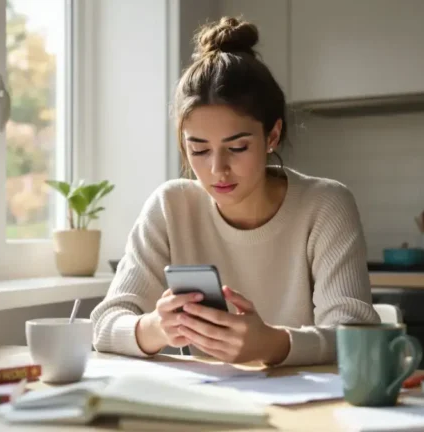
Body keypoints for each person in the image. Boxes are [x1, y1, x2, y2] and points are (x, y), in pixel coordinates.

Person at [90, 16, 379, 367]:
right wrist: (157, 328)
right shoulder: (171, 206)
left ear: (272, 136)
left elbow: (357, 333)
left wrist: (271, 345)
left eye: (237, 147)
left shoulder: (325, 205)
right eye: (198, 150)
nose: (217, 169)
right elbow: (104, 326)